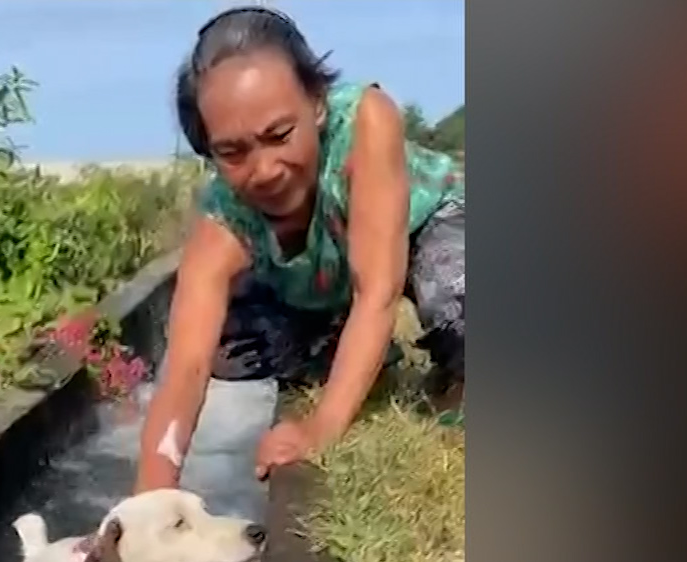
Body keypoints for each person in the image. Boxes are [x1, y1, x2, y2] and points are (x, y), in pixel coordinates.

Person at [133, 6, 465, 493]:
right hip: (327, 279)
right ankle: (360, 360)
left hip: (425, 229)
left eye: (280, 136)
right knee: (233, 341)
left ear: (317, 104)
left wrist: (320, 427)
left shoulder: (367, 121)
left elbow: (378, 291)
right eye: (232, 152)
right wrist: (148, 504)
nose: (265, 170)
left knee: (458, 296)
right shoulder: (222, 217)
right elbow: (186, 368)